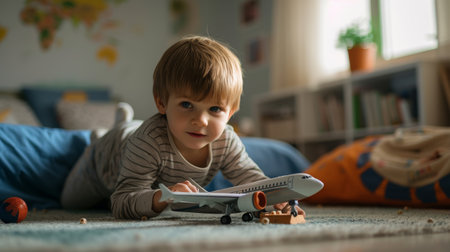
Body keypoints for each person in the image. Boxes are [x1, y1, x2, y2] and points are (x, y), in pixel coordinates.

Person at [61, 36, 304, 219]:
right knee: (70, 202)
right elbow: (121, 201)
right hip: (104, 161)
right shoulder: (149, 143)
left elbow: (251, 179)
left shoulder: (227, 141)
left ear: (231, 112)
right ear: (161, 102)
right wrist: (161, 197)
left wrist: (275, 199)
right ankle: (103, 134)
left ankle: (123, 123)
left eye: (215, 109)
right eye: (187, 104)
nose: (201, 120)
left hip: (138, 152)